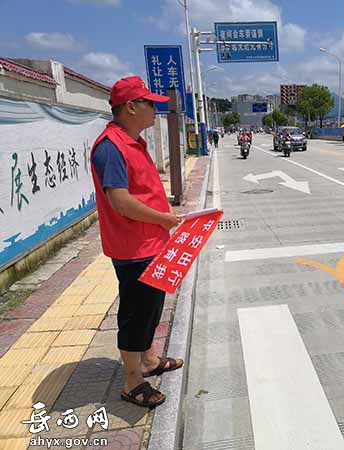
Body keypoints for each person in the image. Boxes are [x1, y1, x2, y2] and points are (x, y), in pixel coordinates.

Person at [90, 76, 184, 409]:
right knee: (136, 313)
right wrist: (162, 218)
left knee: (152, 307)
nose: (156, 108)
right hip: (134, 249)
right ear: (131, 107)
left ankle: (149, 359)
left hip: (151, 243)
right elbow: (121, 201)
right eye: (150, 103)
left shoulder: (134, 143)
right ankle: (133, 381)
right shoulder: (110, 147)